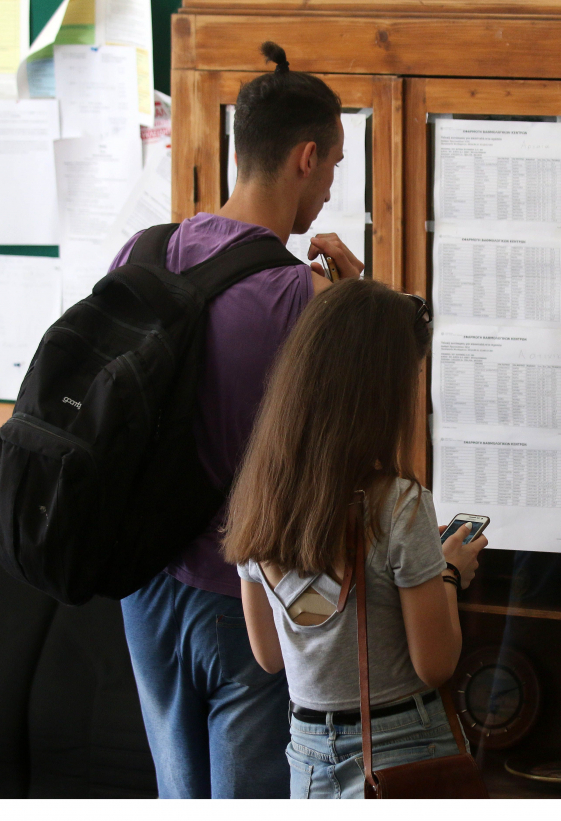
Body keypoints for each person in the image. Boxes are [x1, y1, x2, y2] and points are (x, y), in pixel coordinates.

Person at [113, 42, 365, 798]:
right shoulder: (301, 297)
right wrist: (358, 307)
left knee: (176, 793)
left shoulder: (147, 250)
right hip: (245, 597)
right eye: (333, 167)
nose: (328, 189)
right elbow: (361, 440)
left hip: (143, 581)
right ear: (305, 157)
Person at [221, 278, 486, 799]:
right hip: (401, 749)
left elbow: (270, 656)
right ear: (379, 394)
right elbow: (435, 665)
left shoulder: (257, 497)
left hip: (306, 755)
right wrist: (448, 573)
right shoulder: (399, 504)